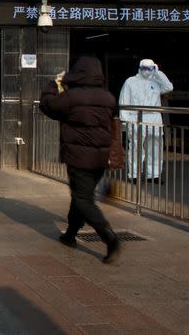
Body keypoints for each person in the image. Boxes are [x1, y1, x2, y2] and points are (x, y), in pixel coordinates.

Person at [40, 56, 121, 264]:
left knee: (83, 199)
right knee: (81, 196)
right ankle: (71, 234)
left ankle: (109, 237)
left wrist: (53, 84)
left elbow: (48, 106)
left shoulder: (72, 97)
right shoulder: (108, 98)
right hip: (101, 158)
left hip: (78, 157)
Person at [119, 59, 173, 183]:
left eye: (150, 68)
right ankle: (133, 174)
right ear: (140, 67)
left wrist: (158, 73)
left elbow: (169, 87)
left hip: (154, 117)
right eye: (144, 68)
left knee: (155, 146)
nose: (147, 71)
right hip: (136, 117)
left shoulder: (157, 81)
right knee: (135, 147)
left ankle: (153, 174)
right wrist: (125, 120)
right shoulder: (130, 82)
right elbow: (124, 100)